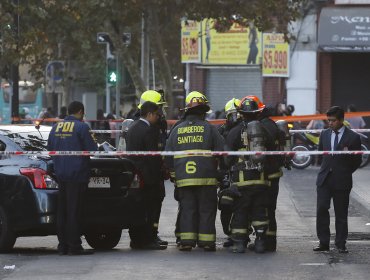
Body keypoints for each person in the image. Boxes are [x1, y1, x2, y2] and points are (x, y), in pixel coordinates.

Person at [166, 92, 224, 251]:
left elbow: (168, 156)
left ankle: (186, 242)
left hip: (184, 179)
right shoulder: (210, 129)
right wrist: (221, 173)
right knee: (206, 210)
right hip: (206, 179)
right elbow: (222, 152)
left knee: (187, 209)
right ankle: (206, 242)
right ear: (203, 112)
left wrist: (174, 176)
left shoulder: (176, 130)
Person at [225, 97, 279, 254]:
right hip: (261, 179)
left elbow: (227, 157)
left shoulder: (234, 131)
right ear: (257, 113)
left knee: (241, 211)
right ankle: (261, 243)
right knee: (260, 212)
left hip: (242, 181)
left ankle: (239, 244)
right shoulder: (265, 130)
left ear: (241, 113)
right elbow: (272, 152)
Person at [47, 101, 98, 255]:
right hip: (77, 174)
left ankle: (62, 245)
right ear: (81, 111)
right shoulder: (82, 127)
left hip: (60, 174)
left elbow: (50, 149)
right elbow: (93, 150)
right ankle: (74, 246)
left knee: (62, 211)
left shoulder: (56, 127)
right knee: (75, 211)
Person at [313, 106, 362, 254]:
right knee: (322, 209)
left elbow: (357, 160)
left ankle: (341, 244)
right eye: (328, 120)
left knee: (341, 213)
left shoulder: (353, 137)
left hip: (342, 180)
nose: (330, 123)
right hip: (324, 179)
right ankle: (323, 243)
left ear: (341, 120)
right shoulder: (324, 134)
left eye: (333, 121)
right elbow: (322, 154)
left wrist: (345, 171)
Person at [126, 101, 167, 250]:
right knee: (151, 210)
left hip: (135, 175)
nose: (158, 117)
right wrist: (160, 172)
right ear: (149, 114)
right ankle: (149, 239)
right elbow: (153, 156)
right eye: (157, 114)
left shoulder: (132, 127)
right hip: (149, 177)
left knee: (138, 209)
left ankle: (137, 239)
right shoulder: (149, 130)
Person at [217, 98, 242, 248]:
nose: (235, 118)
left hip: (242, 173)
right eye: (232, 115)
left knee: (241, 205)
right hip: (226, 172)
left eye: (237, 114)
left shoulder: (246, 129)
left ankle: (240, 235)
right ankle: (229, 233)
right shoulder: (222, 130)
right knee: (225, 203)